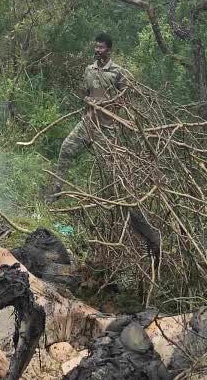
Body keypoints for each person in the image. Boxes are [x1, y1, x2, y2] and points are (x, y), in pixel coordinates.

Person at [49, 33, 161, 261]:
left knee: (112, 179)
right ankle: (56, 190)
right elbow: (85, 93)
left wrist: (107, 103)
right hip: (88, 122)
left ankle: (134, 226)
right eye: (96, 46)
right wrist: (89, 102)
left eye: (101, 47)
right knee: (66, 149)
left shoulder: (118, 72)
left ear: (109, 49)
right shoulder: (89, 70)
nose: (97, 50)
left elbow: (124, 100)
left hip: (107, 129)